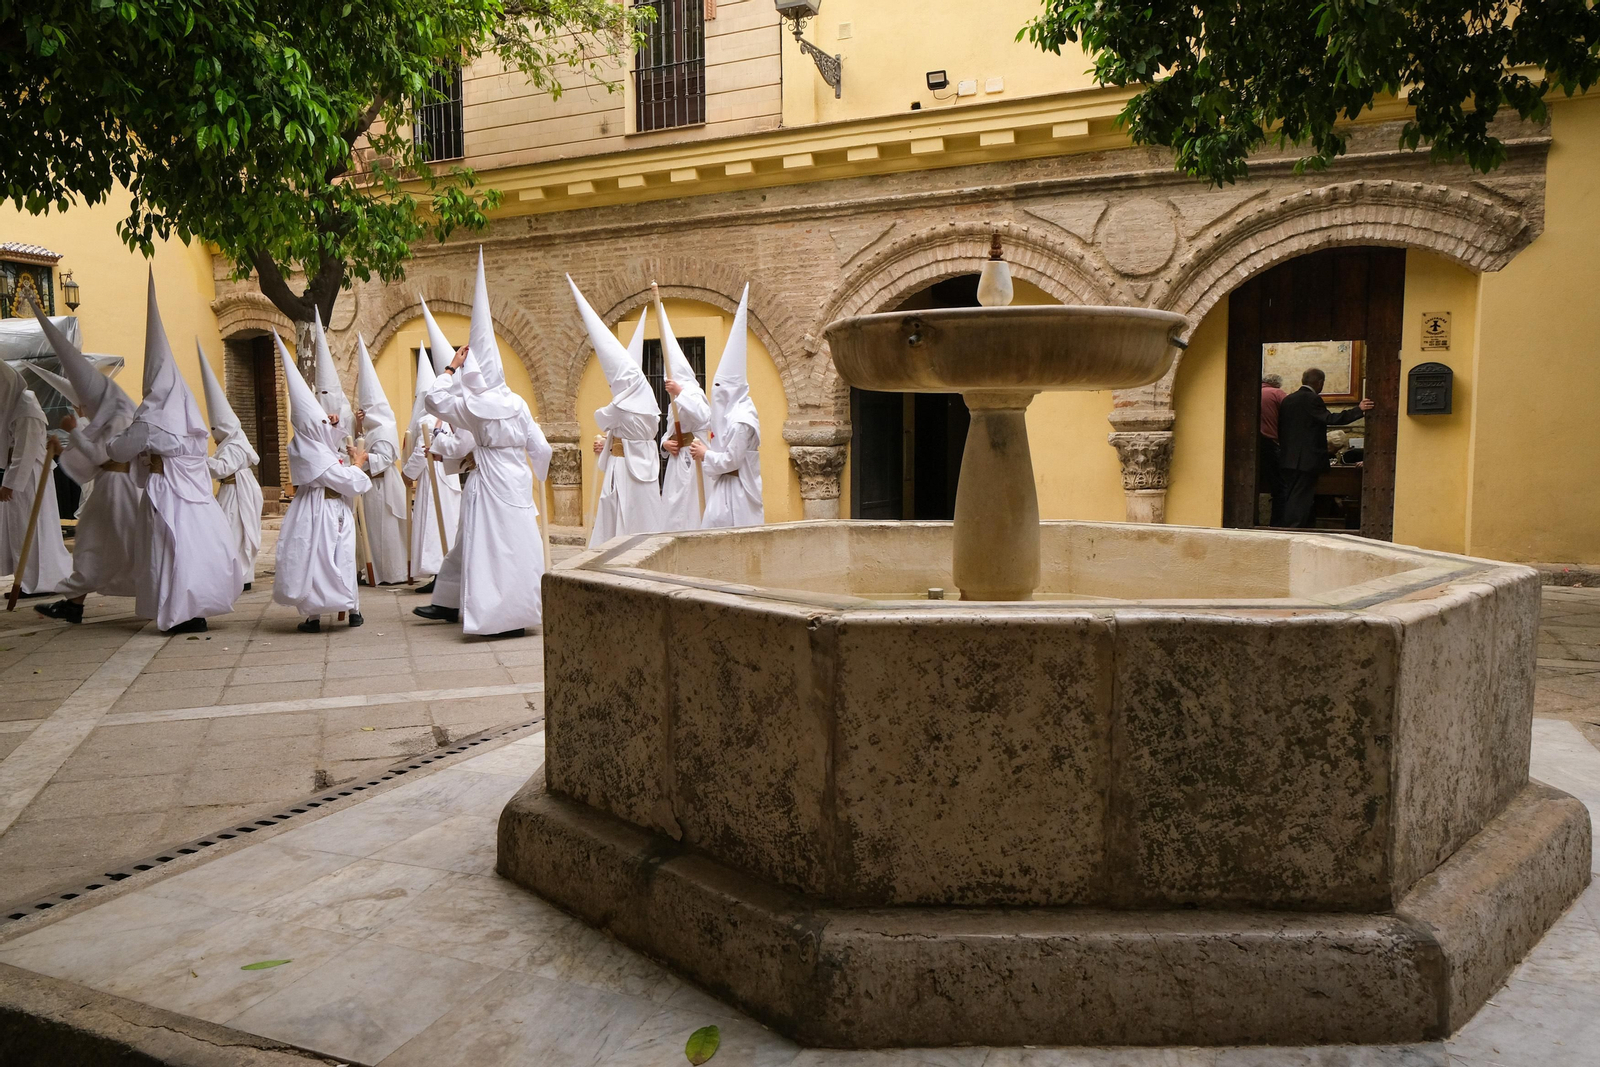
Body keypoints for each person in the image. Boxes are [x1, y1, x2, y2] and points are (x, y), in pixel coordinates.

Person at [414, 251, 551, 638]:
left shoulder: (474, 407)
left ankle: (493, 616)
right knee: (515, 548)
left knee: (487, 549)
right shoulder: (519, 404)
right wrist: (538, 473)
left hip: (488, 483)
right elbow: (542, 449)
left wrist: (449, 369)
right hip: (517, 482)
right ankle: (508, 612)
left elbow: (433, 401)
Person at [105, 274, 242, 633]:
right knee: (196, 548)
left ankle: (177, 610)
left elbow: (119, 448)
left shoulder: (151, 419)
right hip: (196, 496)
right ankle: (196, 608)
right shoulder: (189, 414)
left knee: (167, 551)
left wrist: (119, 440)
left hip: (165, 492)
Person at [29, 307, 141, 622]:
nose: (83, 409)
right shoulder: (114, 414)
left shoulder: (119, 417)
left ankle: (76, 602)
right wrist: (65, 447)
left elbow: (102, 456)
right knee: (99, 546)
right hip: (114, 488)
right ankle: (74, 602)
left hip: (118, 490)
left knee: (101, 545)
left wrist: (73, 431)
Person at [270, 331, 370, 632]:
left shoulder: (306, 443)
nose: (327, 423)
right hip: (323, 512)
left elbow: (329, 442)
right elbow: (345, 480)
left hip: (324, 509)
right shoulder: (311, 451)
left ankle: (345, 609)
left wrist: (334, 426)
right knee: (327, 559)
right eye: (322, 422)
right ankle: (331, 611)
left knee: (334, 557)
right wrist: (357, 464)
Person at [569, 277, 662, 548]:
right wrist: (609, 442)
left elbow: (601, 418)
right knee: (644, 513)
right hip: (644, 465)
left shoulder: (620, 405)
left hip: (624, 467)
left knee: (621, 514)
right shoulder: (649, 402)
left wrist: (608, 442)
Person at [0, 357, 73, 599]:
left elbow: (26, 450)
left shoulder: (25, 408)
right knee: (21, 529)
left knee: (31, 528)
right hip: (21, 472)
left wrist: (10, 483)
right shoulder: (15, 404)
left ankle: (36, 582)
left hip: (29, 476)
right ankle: (25, 580)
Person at [692, 285, 763, 528]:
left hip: (739, 492)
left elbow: (733, 460)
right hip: (724, 487)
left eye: (721, 388)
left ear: (732, 389)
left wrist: (705, 454)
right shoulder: (731, 414)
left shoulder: (742, 419)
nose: (718, 394)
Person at [197, 340, 263, 593]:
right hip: (231, 492)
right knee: (228, 531)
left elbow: (223, 469)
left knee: (234, 530)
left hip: (237, 494)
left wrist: (200, 459)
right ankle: (232, 573)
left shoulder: (234, 445)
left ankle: (241, 574)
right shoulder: (231, 442)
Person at [1277, 367, 1375, 528]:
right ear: (1320, 382)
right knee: (1301, 498)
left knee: (1291, 496)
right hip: (1306, 460)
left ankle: (1291, 527)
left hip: (1288, 458)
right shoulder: (1312, 399)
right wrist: (1358, 410)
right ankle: (1294, 529)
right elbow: (1330, 418)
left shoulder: (1288, 400)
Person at [400, 344, 461, 594]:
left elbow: (420, 451)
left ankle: (440, 573)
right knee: (447, 523)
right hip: (450, 476)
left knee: (436, 524)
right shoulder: (456, 417)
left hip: (434, 475)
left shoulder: (426, 419)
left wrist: (407, 474)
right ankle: (445, 572)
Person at [653, 284, 712, 532]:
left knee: (693, 508)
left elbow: (704, 417)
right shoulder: (674, 401)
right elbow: (669, 432)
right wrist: (665, 444)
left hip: (696, 456)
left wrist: (681, 393)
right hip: (678, 463)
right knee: (674, 508)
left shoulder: (693, 393)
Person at [353, 335, 409, 585]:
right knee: (374, 532)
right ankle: (375, 571)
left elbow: (385, 458)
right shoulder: (371, 429)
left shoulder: (385, 428)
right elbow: (363, 444)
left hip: (382, 486)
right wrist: (358, 429)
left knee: (386, 532)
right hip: (371, 487)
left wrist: (363, 458)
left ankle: (391, 573)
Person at [1259, 374, 1287, 526]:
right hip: (1270, 444)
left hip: (1253, 444)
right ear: (1277, 384)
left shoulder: (1253, 393)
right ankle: (1277, 524)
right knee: (1280, 487)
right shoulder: (1277, 393)